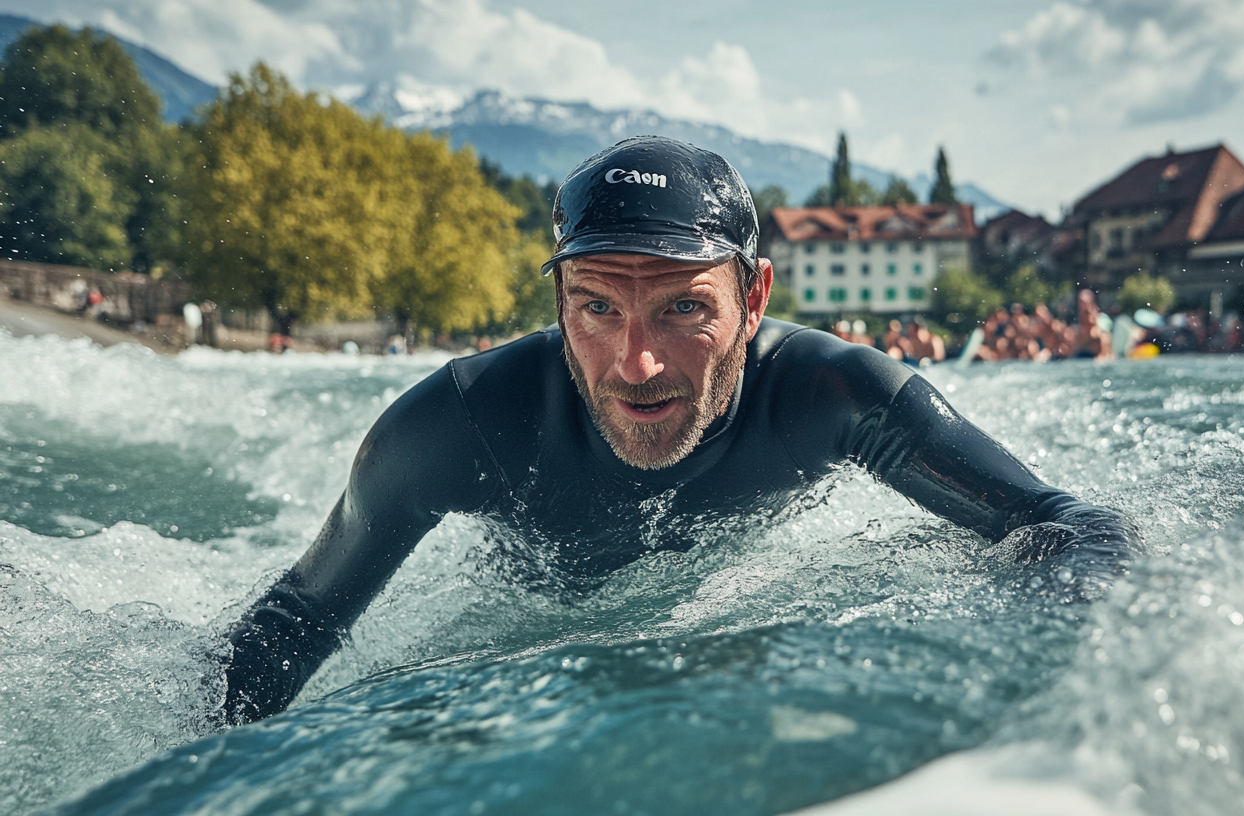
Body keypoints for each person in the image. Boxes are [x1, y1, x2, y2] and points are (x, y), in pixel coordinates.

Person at [218, 136, 1139, 725]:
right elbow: (288, 628)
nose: (636, 364)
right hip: (530, 641)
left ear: (755, 299)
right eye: (596, 307)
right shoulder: (453, 428)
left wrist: (1043, 690)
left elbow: (1071, 527)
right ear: (557, 301)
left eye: (682, 310)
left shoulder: (831, 395)